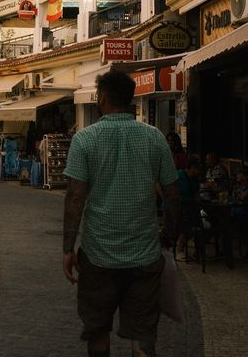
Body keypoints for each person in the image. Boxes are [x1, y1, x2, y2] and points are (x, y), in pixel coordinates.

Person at [63, 70, 180, 357]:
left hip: (98, 256)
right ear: (130, 99)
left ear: (101, 98)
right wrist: (169, 235)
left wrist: (68, 248)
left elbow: (75, 197)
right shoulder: (155, 139)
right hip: (144, 256)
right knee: (143, 335)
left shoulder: (84, 140)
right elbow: (173, 195)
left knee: (98, 331)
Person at [175, 158, 202, 259]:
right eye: (198, 169)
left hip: (192, 206)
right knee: (186, 226)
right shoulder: (179, 175)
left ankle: (198, 251)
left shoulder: (195, 179)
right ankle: (179, 249)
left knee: (198, 224)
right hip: (181, 206)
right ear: (193, 168)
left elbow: (196, 193)